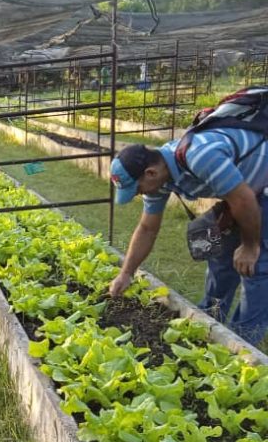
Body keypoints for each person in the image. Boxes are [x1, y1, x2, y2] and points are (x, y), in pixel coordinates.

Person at [108, 136, 268, 344]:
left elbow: (245, 199)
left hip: (261, 190)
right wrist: (126, 273)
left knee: (255, 269)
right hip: (241, 194)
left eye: (138, 189)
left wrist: (249, 246)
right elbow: (147, 228)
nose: (140, 194)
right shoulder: (160, 176)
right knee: (220, 260)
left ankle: (242, 348)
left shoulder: (200, 156)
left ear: (150, 173)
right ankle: (209, 328)